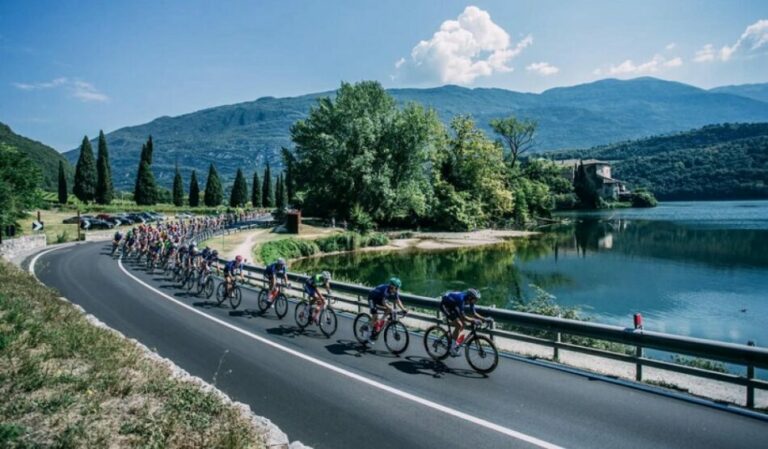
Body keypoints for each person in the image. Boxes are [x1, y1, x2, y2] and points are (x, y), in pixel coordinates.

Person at [440, 289, 489, 356]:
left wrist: (484, 319)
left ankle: (454, 340)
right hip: (446, 305)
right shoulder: (461, 299)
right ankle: (452, 349)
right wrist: (474, 320)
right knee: (459, 325)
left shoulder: (470, 301)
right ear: (470, 297)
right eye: (476, 299)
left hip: (453, 305)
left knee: (464, 324)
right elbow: (463, 317)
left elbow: (474, 313)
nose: (476, 301)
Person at [367, 277, 408, 341]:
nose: (398, 289)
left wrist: (403, 309)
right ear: (392, 286)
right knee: (375, 316)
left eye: (398, 288)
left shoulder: (394, 291)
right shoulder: (385, 289)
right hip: (372, 298)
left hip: (380, 299)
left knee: (389, 308)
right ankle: (367, 328)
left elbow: (398, 301)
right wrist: (390, 308)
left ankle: (379, 322)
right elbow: (383, 302)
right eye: (397, 287)